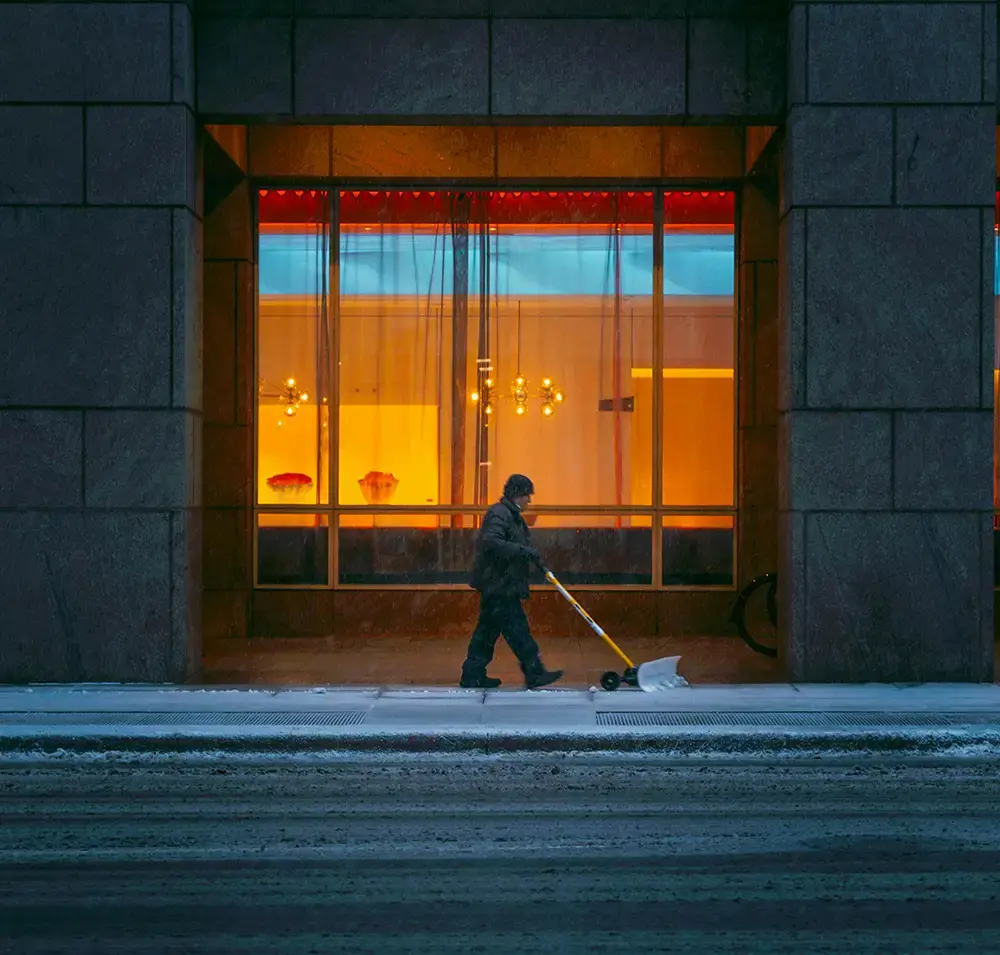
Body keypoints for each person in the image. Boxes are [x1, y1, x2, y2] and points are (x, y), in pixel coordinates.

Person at [459, 474, 564, 690]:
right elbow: (491, 542)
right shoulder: (500, 514)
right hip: (500, 585)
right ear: (517, 495)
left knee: (487, 632)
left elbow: (506, 544)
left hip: (500, 584)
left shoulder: (510, 515)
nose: (529, 501)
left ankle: (473, 674)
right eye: (527, 496)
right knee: (517, 630)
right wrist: (523, 552)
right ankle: (534, 672)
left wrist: (527, 556)